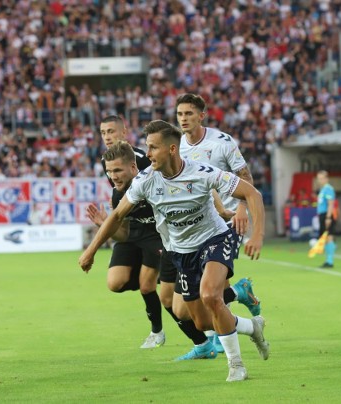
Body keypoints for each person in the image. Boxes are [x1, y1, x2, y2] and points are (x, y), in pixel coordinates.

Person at [79, 123, 270, 382]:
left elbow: (252, 193)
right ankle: (252, 326)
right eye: (146, 146)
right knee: (201, 321)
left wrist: (257, 235)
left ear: (171, 149)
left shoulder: (202, 173)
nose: (147, 153)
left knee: (211, 295)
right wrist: (91, 250)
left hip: (214, 238)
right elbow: (117, 216)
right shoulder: (145, 182)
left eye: (152, 147)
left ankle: (236, 366)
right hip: (180, 251)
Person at [174, 93, 262, 355]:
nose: (184, 119)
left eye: (189, 113)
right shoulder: (176, 146)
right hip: (194, 227)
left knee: (209, 294)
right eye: (180, 114)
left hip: (226, 224)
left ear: (201, 115)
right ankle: (240, 293)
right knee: (188, 306)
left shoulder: (222, 142)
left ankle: (220, 344)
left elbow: (245, 177)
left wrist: (242, 210)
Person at [89, 115, 165, 349]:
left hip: (153, 228)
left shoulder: (142, 159)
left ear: (124, 133)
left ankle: (157, 332)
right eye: (103, 132)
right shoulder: (106, 160)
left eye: (111, 131)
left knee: (146, 285)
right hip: (131, 226)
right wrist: (109, 221)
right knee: (115, 282)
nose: (107, 136)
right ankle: (161, 275)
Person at [316, 170, 337, 268]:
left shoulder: (328, 189)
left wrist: (328, 217)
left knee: (328, 237)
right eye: (319, 178)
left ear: (326, 179)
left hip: (326, 215)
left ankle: (330, 261)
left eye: (322, 178)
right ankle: (328, 259)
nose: (320, 180)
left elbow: (330, 204)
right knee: (326, 237)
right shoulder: (323, 189)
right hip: (322, 215)